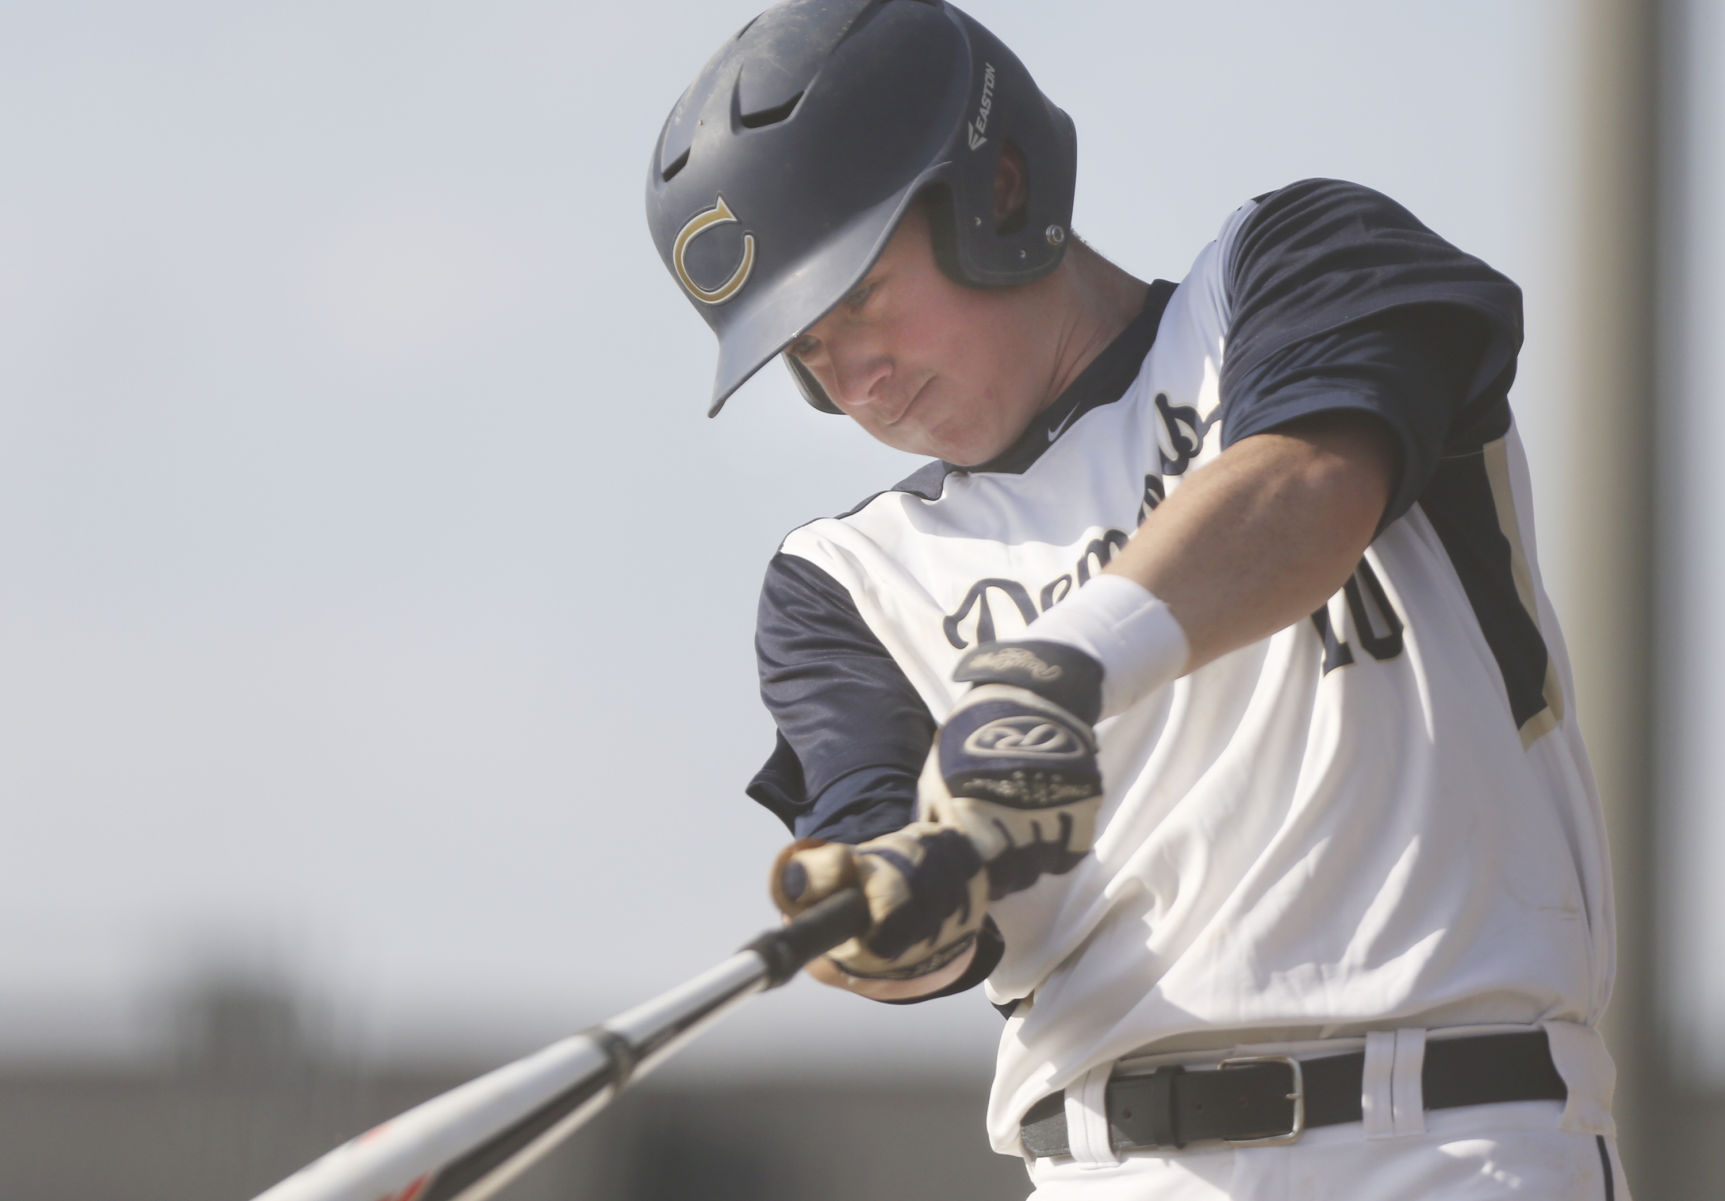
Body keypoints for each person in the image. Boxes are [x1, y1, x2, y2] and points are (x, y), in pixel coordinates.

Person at [645, 2, 1630, 1197]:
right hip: (1114, 1167)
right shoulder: (846, 580)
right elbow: (896, 884)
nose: (855, 376)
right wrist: (887, 920)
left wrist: (1053, 673)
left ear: (997, 189)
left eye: (858, 297)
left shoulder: (1288, 272)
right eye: (805, 348)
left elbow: (1310, 485)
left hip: (1450, 1139)